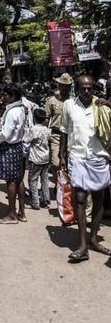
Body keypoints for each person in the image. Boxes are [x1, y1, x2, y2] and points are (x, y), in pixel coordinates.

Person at [60, 75, 111, 262]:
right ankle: (82, 245)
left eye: (90, 88)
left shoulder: (101, 105)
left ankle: (94, 239)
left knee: (99, 199)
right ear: (77, 88)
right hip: (78, 157)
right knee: (80, 199)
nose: (87, 91)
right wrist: (62, 155)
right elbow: (64, 130)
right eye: (83, 88)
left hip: (99, 157)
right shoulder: (68, 105)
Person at [0, 84, 27, 224]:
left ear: (12, 96)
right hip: (18, 146)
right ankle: (21, 212)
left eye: (5, 95)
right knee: (19, 179)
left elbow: (6, 134)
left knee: (11, 181)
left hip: (9, 147)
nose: (3, 97)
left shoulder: (12, 112)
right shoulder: (20, 109)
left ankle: (12, 214)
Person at [24, 108, 51, 210]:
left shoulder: (33, 129)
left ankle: (35, 202)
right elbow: (49, 139)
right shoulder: (46, 130)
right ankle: (46, 199)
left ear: (34, 118)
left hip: (35, 158)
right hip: (45, 158)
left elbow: (26, 140)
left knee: (33, 180)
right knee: (45, 180)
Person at [45, 73, 72, 174]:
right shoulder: (51, 101)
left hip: (70, 135)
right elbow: (47, 119)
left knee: (69, 163)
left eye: (67, 86)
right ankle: (58, 185)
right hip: (56, 135)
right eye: (63, 85)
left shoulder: (73, 100)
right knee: (56, 163)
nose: (65, 88)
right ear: (59, 85)